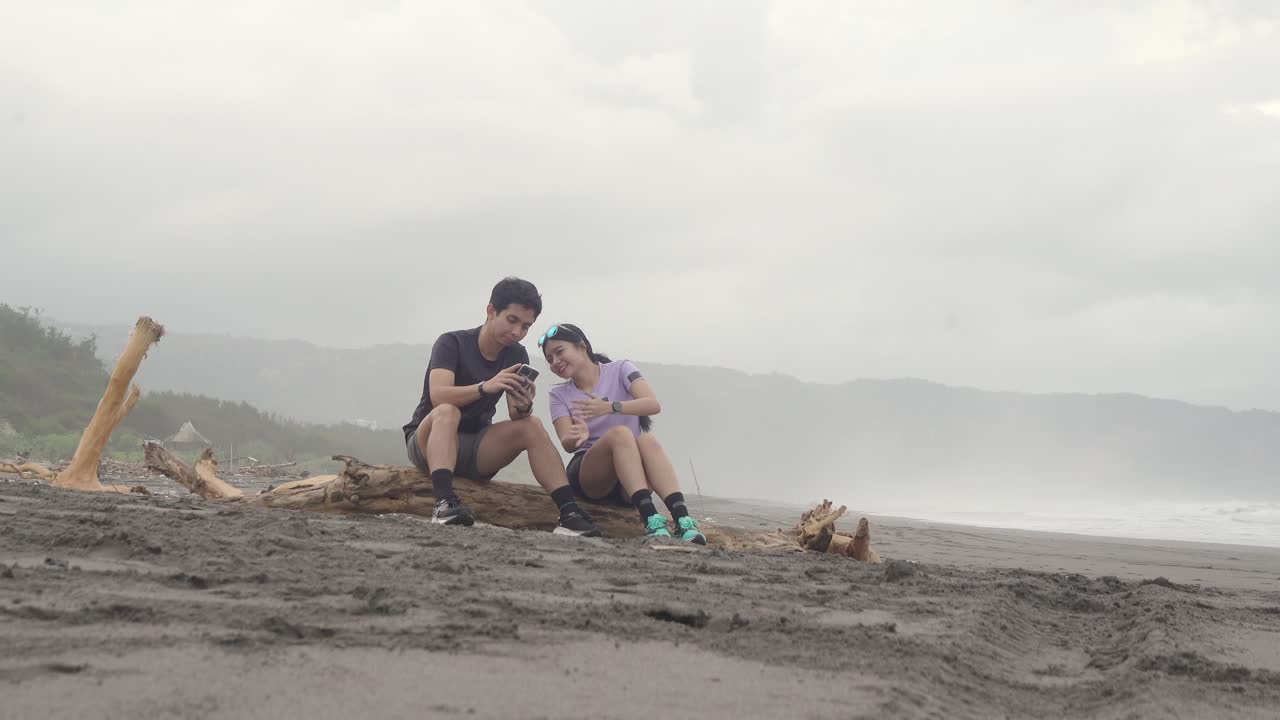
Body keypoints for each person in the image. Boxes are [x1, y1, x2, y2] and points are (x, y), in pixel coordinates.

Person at [402, 278, 601, 536]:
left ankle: (569, 513)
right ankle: (443, 503)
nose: (517, 332)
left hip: (476, 447)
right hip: (429, 441)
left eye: (526, 326)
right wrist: (485, 386)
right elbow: (438, 395)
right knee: (448, 411)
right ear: (491, 311)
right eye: (512, 320)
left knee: (531, 424)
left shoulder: (516, 355)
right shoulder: (452, 343)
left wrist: (524, 405)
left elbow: (515, 415)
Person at [540, 323, 705, 544]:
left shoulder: (621, 369)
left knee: (647, 440)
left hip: (631, 477)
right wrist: (577, 435)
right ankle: (651, 520)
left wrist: (611, 407)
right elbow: (566, 443)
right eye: (549, 359)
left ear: (581, 346)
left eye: (559, 352)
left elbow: (652, 404)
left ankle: (683, 520)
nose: (555, 362)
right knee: (620, 434)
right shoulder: (559, 394)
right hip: (592, 476)